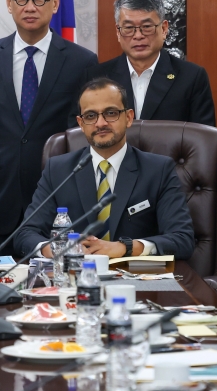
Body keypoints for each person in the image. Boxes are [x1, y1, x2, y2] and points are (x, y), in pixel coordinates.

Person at [0, 0, 98, 257]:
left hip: (60, 201)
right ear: (9, 3)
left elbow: (81, 132)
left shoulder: (82, 62)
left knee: (60, 280)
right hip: (1, 200)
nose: (30, 7)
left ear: (55, 3)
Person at [13, 77, 195, 260]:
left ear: (129, 117)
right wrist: (54, 249)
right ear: (81, 124)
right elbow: (25, 234)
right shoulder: (59, 170)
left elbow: (182, 239)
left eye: (110, 113)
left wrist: (126, 247)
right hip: (76, 273)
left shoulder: (158, 170)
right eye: (90, 116)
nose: (100, 123)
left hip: (134, 275)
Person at [86, 0, 215, 125]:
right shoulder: (96, 77)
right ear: (118, 32)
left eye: (147, 26)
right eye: (128, 28)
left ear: (164, 29)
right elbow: (84, 130)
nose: (138, 36)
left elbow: (202, 135)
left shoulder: (191, 77)